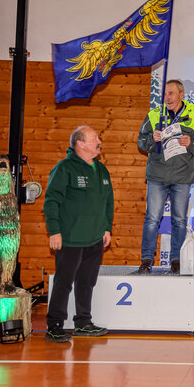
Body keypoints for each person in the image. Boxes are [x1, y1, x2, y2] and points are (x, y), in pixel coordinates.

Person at [44, 126, 114, 343]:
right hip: (70, 238)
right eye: (95, 138)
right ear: (80, 144)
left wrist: (106, 228)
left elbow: (108, 201)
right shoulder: (64, 168)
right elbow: (51, 201)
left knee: (87, 282)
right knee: (63, 282)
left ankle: (83, 322)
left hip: (95, 237)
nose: (99, 141)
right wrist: (54, 231)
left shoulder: (101, 169)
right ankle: (54, 326)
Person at [137, 79, 194, 274]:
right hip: (157, 175)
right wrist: (152, 139)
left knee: (179, 220)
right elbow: (141, 142)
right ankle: (147, 259)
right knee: (152, 219)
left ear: (181, 94)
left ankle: (176, 260)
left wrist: (191, 143)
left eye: (171, 93)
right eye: (165, 94)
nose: (167, 98)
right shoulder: (154, 115)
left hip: (182, 177)